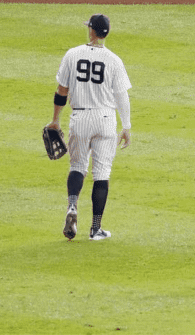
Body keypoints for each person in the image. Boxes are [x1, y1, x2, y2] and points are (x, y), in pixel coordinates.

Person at [46, 13, 132, 241]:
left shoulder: (72, 55)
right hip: (105, 119)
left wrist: (55, 120)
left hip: (80, 117)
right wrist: (127, 126)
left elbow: (61, 91)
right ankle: (95, 229)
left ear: (92, 31)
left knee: (77, 166)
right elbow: (121, 96)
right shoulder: (114, 60)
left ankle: (72, 206)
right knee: (102, 173)